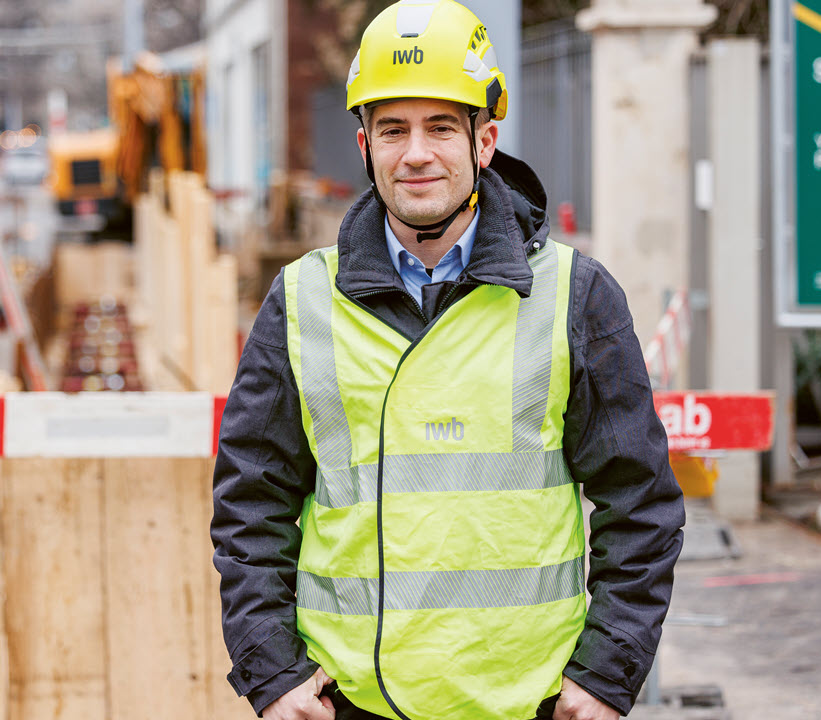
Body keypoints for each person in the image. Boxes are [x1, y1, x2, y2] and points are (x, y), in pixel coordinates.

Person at [211, 2, 684, 719]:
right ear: (365, 143)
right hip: (351, 702)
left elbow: (641, 503)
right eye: (393, 129)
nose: (417, 153)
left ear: (484, 141)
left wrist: (607, 674)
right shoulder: (302, 299)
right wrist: (271, 672)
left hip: (532, 703)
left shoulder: (574, 296)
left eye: (440, 126)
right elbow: (251, 502)